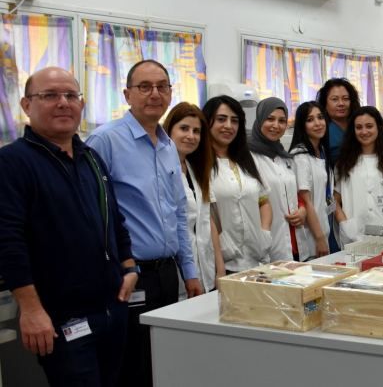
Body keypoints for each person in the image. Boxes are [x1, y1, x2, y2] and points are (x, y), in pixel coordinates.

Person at [0, 67, 136, 386]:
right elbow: (7, 241)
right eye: (49, 95)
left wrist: (130, 267)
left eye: (71, 95)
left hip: (112, 309)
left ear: (81, 104)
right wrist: (31, 309)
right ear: (26, 105)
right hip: (62, 319)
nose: (63, 102)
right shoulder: (12, 163)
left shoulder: (91, 158)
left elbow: (114, 219)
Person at [86, 59, 202, 387]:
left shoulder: (167, 145)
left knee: (162, 362)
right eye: (145, 87)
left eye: (162, 86)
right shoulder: (105, 140)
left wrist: (189, 271)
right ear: (127, 94)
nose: (155, 94)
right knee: (130, 367)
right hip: (129, 275)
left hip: (167, 273)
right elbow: (92, 213)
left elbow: (178, 214)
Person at [203, 95, 273, 273]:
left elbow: (264, 201)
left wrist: (264, 233)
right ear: (207, 122)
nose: (228, 126)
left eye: (234, 121)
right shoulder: (201, 165)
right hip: (224, 262)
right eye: (221, 119)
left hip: (257, 258)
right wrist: (221, 245)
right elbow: (206, 214)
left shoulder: (248, 160)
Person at [163, 102, 225, 293]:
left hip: (207, 269)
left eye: (196, 131)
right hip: (177, 273)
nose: (191, 136)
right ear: (169, 130)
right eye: (184, 128)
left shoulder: (197, 170)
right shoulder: (161, 170)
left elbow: (208, 220)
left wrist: (220, 268)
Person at [335, 106, 383, 246]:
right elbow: (334, 200)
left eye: (369, 126)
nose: (364, 131)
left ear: (379, 128)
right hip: (353, 235)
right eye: (359, 127)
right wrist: (344, 223)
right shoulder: (344, 162)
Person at [249, 97, 305, 262]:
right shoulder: (248, 157)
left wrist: (302, 210)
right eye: (270, 119)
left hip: (294, 243)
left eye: (282, 121)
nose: (276, 125)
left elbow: (294, 193)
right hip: (267, 244)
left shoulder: (285, 157)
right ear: (260, 119)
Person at [289, 101, 334, 259]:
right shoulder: (301, 156)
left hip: (323, 229)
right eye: (310, 120)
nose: (317, 123)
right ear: (302, 126)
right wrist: (319, 238)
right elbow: (306, 201)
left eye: (320, 117)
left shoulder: (321, 151)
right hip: (310, 237)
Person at [317, 78, 361, 162]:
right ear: (324, 103)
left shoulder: (360, 125)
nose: (341, 103)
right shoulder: (320, 129)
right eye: (334, 99)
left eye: (346, 98)